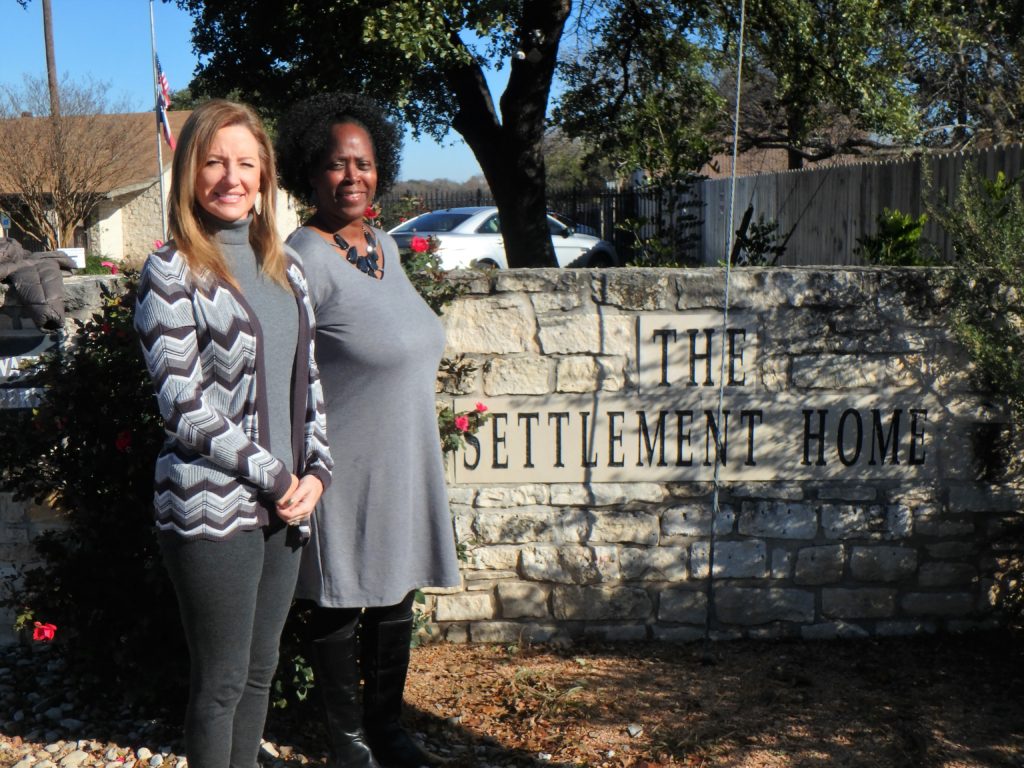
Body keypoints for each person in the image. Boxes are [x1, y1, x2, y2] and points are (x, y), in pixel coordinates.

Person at [134, 99, 333, 768]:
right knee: (220, 682)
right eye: (215, 161)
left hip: (287, 507)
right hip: (212, 505)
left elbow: (311, 386)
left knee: (260, 670)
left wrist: (316, 473)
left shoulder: (287, 270)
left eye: (246, 163)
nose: (231, 176)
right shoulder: (170, 271)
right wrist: (278, 476)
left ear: (264, 175)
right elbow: (182, 405)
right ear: (190, 170)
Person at [275, 92, 461, 768]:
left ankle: (388, 728)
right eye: (334, 166)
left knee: (394, 595)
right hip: (341, 467)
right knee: (339, 602)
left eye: (364, 164)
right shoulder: (300, 257)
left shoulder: (383, 244)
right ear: (308, 173)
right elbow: (284, 372)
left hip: (404, 458)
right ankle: (347, 739)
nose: (352, 177)